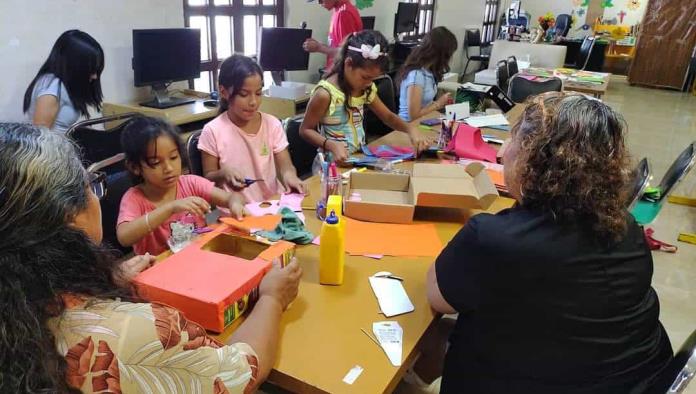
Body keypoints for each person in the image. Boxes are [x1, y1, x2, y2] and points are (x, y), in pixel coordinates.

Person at [0, 123, 302, 393]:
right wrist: (273, 298)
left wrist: (111, 278)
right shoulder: (131, 335)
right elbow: (241, 371)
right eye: (90, 187)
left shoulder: (18, 311)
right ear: (70, 217)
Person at [426, 92, 673, 393]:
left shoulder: (495, 239)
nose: (503, 151)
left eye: (512, 140)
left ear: (532, 158)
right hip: (637, 381)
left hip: (542, 379)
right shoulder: (626, 226)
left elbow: (438, 297)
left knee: (433, 336)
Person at [117, 116, 247, 256]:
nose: (168, 168)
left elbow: (232, 198)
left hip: (198, 259)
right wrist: (170, 208)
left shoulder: (190, 183)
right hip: (159, 271)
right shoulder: (134, 198)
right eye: (155, 163)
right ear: (135, 167)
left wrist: (235, 204)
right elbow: (124, 237)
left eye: (173, 158)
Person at [300, 30, 430, 164]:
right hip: (331, 167)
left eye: (373, 79)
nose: (369, 83)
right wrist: (330, 145)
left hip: (357, 159)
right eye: (365, 77)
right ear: (348, 63)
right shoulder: (325, 94)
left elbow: (388, 117)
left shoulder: (366, 89)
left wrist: (411, 129)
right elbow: (305, 130)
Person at [198, 54, 306, 203]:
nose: (253, 102)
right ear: (223, 92)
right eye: (244, 94)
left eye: (258, 93)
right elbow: (208, 179)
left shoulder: (272, 124)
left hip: (273, 205)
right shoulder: (212, 131)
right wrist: (223, 174)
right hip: (237, 212)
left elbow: (286, 166)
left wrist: (290, 176)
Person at [23, 30, 104, 133]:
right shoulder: (52, 88)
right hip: (55, 148)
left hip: (65, 145)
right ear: (74, 65)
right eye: (90, 70)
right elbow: (39, 140)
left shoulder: (62, 83)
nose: (95, 76)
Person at [397, 27, 458, 122]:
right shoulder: (416, 75)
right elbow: (414, 116)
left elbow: (424, 105)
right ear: (442, 53)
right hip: (408, 126)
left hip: (425, 121)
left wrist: (440, 103)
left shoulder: (428, 71)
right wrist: (438, 103)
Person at [303, 0, 363, 72]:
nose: (319, 3)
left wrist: (318, 47)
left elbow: (347, 53)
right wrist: (318, 45)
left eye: (320, 0)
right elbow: (337, 46)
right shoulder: (339, 10)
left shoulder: (343, 13)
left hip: (341, 75)